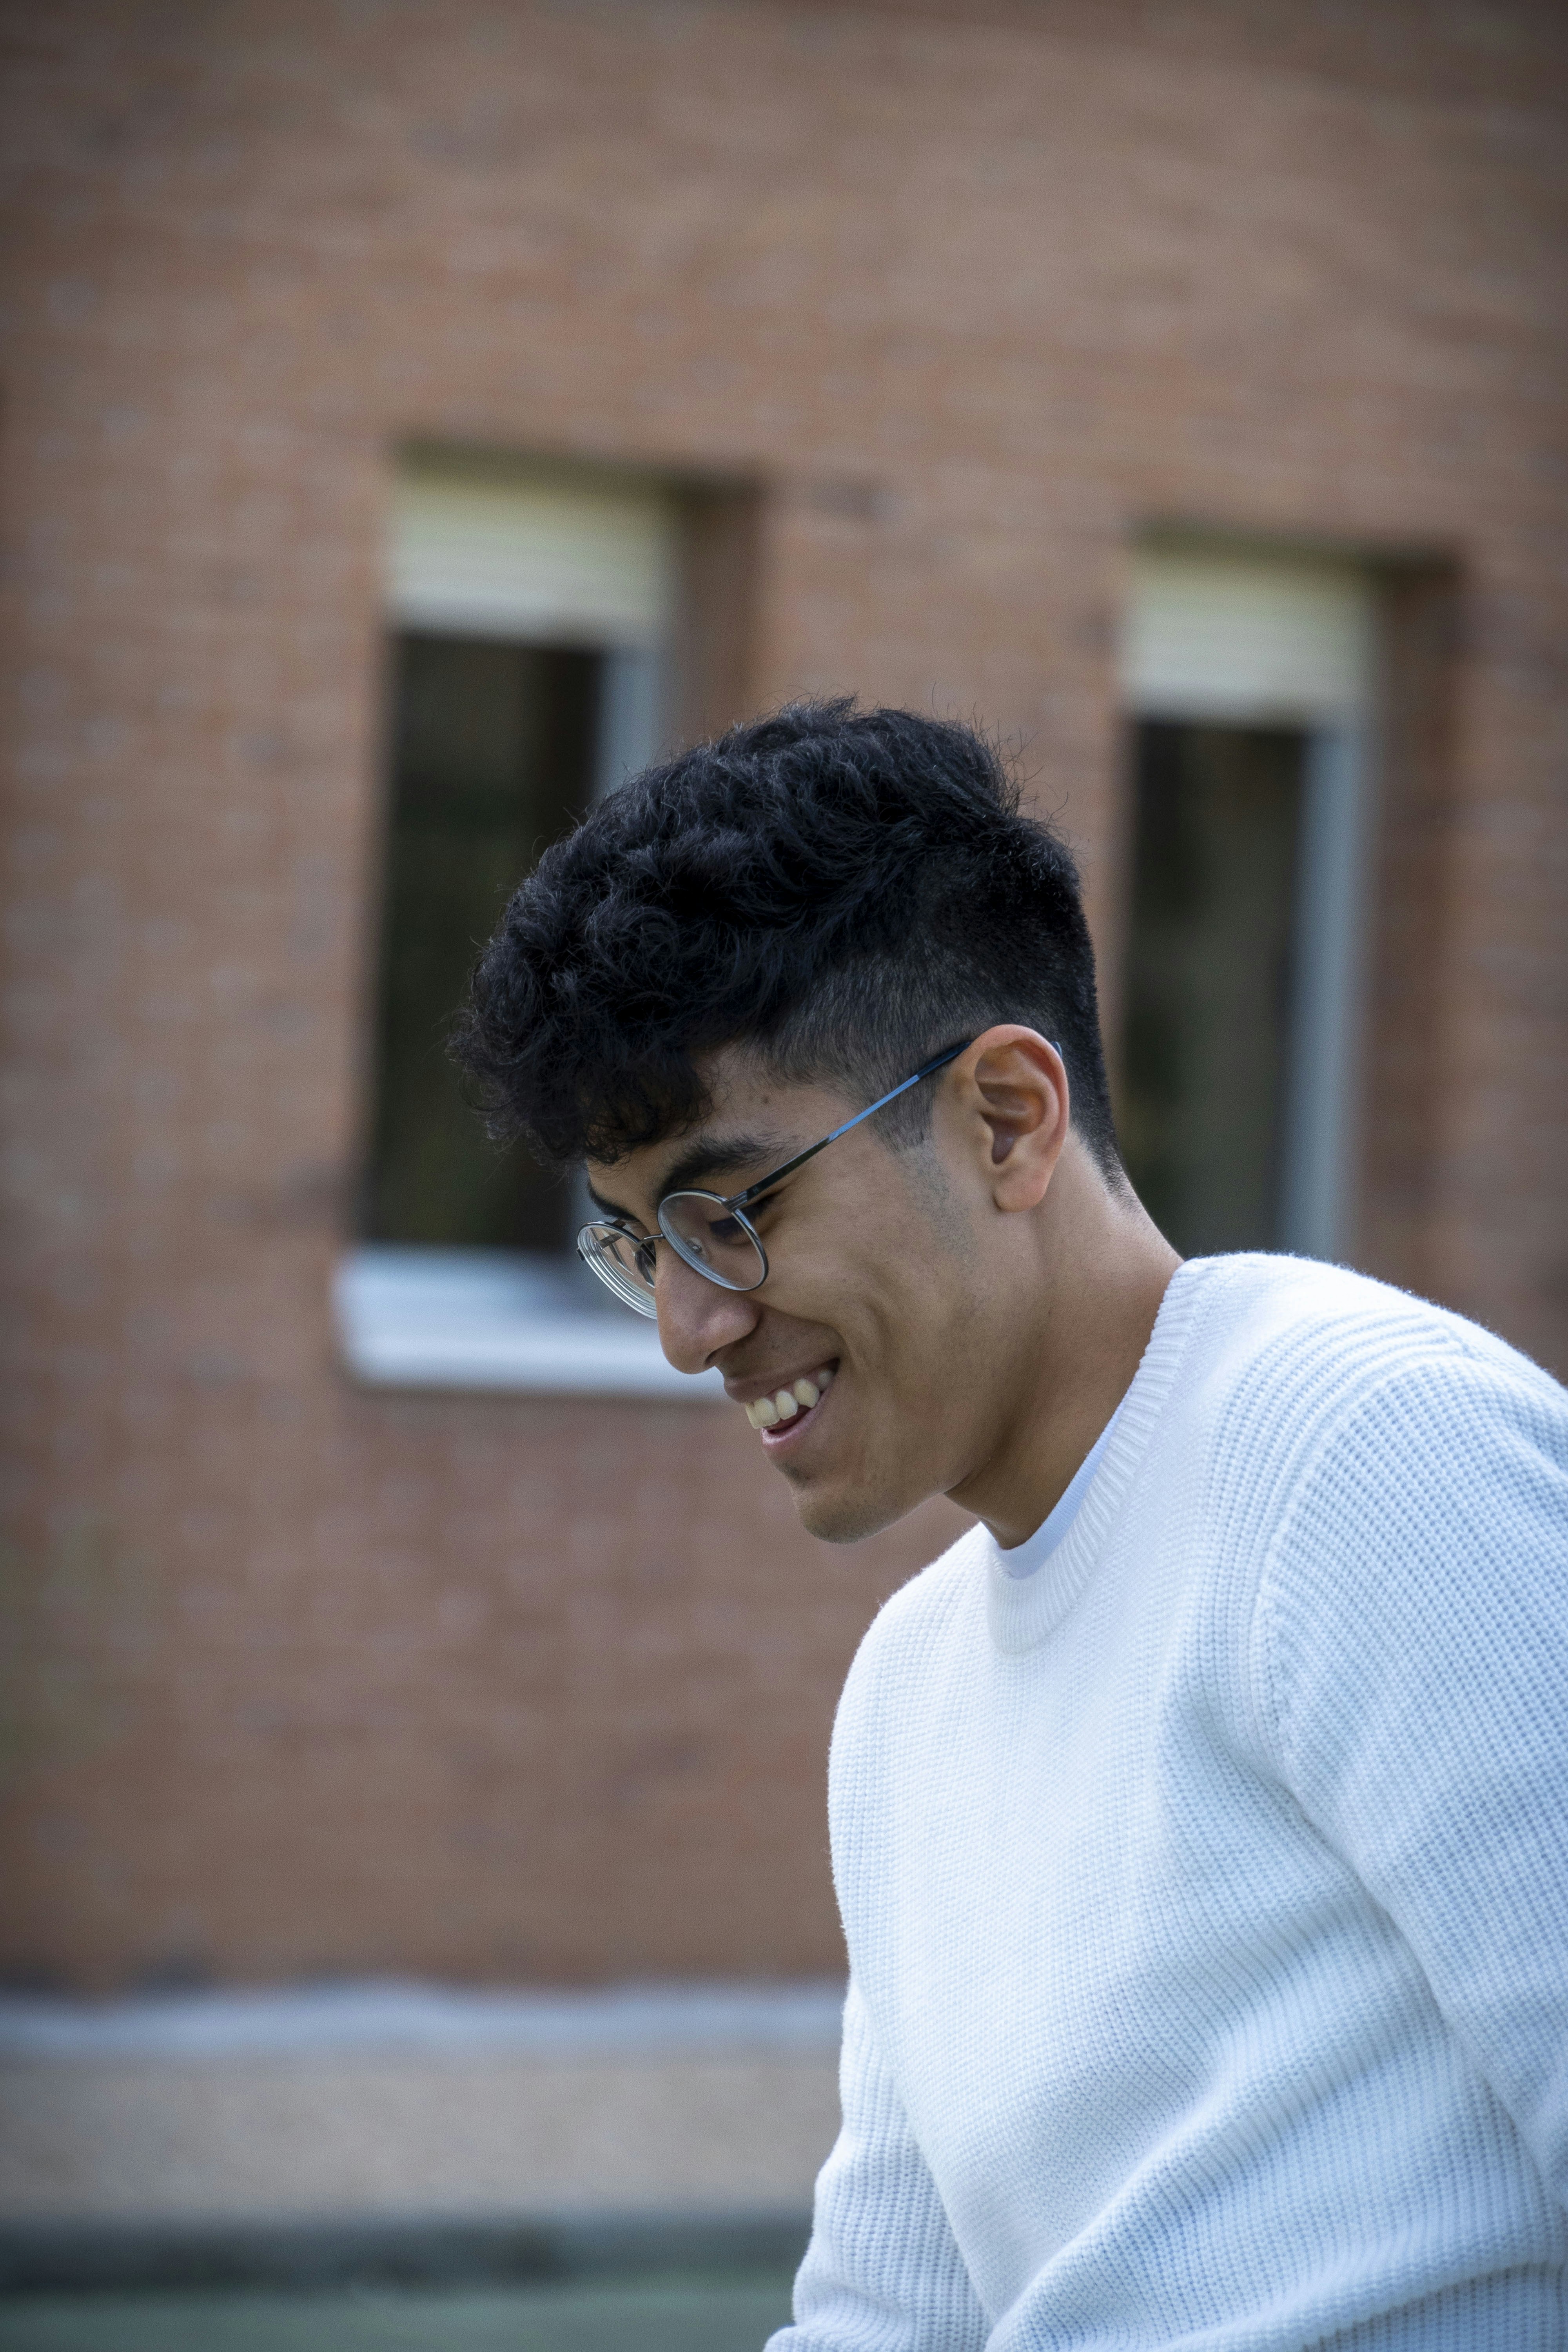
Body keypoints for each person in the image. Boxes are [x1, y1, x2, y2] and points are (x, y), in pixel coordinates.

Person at [454, 701, 1568, 2349]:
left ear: (1005, 1119)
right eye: (635, 1247)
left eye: (733, 1210)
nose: (690, 1328)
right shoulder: (909, 1691)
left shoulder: (1361, 1455)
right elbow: (885, 2320)